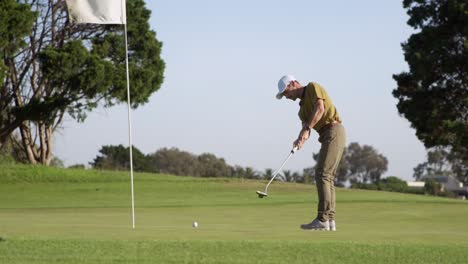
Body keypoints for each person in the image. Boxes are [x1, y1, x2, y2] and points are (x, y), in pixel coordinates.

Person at [276, 74, 346, 231]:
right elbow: (307, 129)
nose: (286, 97)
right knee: (326, 176)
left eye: (286, 92)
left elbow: (320, 109)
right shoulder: (301, 111)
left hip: (334, 130)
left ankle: (322, 219)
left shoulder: (313, 87)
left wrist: (307, 128)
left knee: (323, 175)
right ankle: (329, 221)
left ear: (293, 83)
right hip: (326, 134)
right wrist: (300, 139)